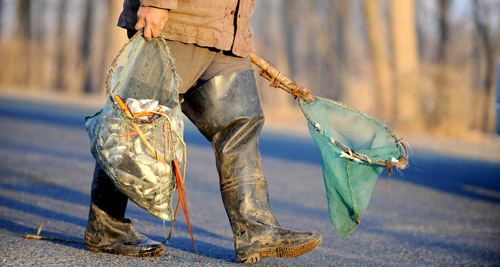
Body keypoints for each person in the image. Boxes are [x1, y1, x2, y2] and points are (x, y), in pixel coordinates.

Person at [84, 0, 322, 263]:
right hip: (178, 24)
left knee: (240, 126)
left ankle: (255, 230)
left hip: (226, 32)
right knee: (133, 126)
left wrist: (238, 26)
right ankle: (107, 227)